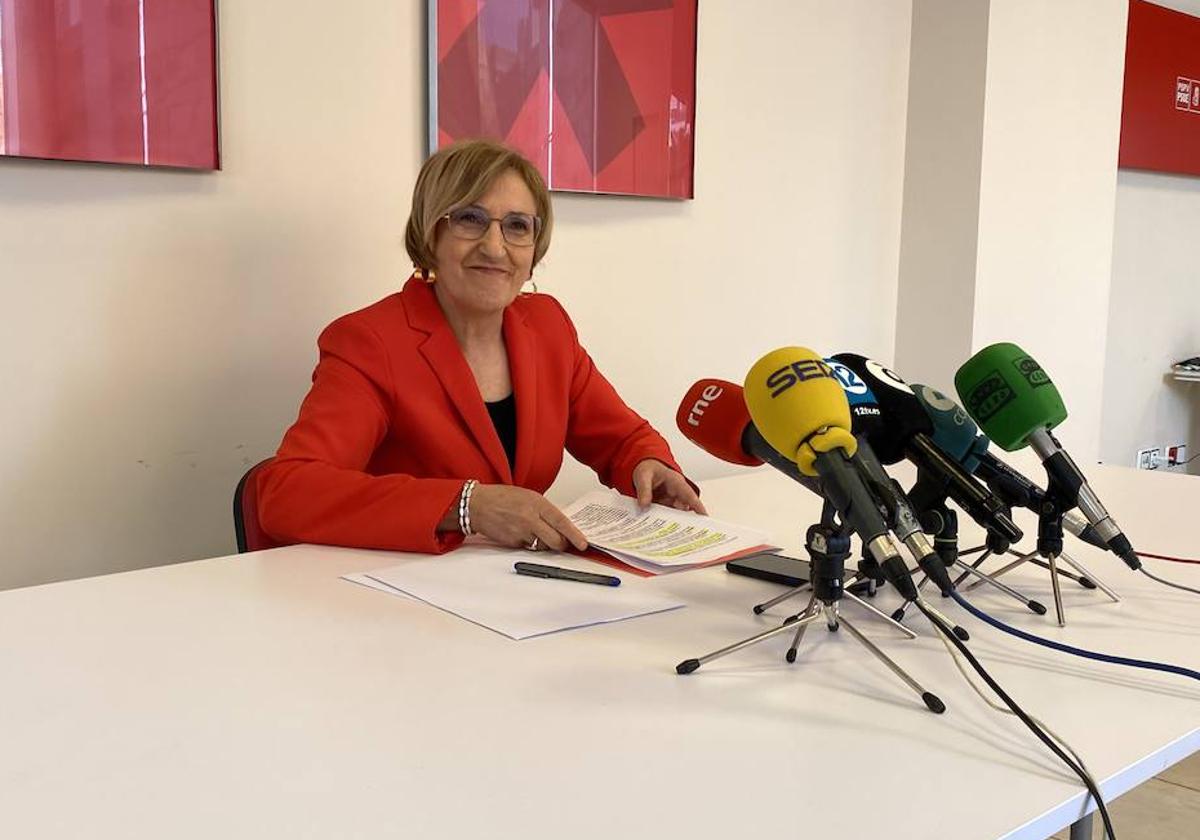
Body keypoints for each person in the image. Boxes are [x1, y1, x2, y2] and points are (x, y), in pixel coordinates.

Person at [257, 139, 704, 555]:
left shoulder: (547, 325)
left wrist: (648, 465)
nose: (495, 247)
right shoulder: (371, 341)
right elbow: (286, 492)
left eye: (516, 226)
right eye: (470, 219)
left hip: (515, 592)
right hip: (395, 597)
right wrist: (467, 506)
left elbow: (621, 437)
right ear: (431, 234)